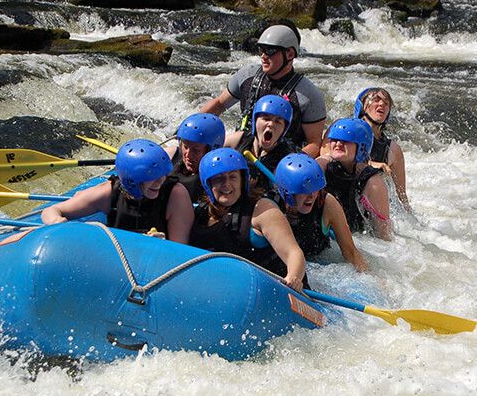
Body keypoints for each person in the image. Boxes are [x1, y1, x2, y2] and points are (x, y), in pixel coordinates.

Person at [199, 23, 326, 157]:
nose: (264, 56)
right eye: (261, 50)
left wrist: (288, 165)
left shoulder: (309, 95)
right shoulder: (247, 76)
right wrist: (191, 131)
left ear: (289, 54)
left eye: (270, 51)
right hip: (243, 149)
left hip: (282, 158)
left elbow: (315, 144)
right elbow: (219, 104)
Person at [189, 148, 306, 290]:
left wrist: (293, 278)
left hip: (273, 289)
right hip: (227, 289)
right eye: (219, 178)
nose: (226, 184)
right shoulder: (200, 213)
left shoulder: (262, 209)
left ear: (242, 181)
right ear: (208, 184)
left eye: (233, 177)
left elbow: (293, 253)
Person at [42, 139, 194, 243]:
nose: (160, 182)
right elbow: (51, 210)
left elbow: (181, 250)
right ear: (132, 179)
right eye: (152, 177)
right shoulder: (109, 193)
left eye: (162, 175)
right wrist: (57, 222)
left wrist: (162, 246)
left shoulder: (176, 195)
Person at [274, 153, 368, 272]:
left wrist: (368, 276)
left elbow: (350, 252)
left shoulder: (327, 204)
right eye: (304, 190)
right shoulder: (272, 207)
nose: (311, 196)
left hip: (320, 267)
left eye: (315, 189)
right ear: (288, 193)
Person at [316, 118, 391, 241]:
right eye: (335, 139)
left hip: (360, 240)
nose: (338, 144)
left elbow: (384, 235)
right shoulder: (322, 165)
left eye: (346, 140)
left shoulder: (373, 182)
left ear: (362, 147)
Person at [354, 87, 411, 211]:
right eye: (376, 100)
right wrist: (371, 164)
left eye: (386, 103)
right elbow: (330, 158)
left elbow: (402, 196)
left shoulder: (393, 149)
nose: (381, 104)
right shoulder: (345, 131)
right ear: (362, 107)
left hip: (372, 207)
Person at [225, 94, 297, 191]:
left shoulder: (287, 160)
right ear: (255, 121)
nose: (271, 124)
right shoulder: (238, 139)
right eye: (266, 119)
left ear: (284, 129)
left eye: (278, 121)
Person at [164, 113, 226, 202]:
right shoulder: (170, 155)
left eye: (196, 150)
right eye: (185, 147)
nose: (188, 155)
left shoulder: (218, 179)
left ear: (211, 150)